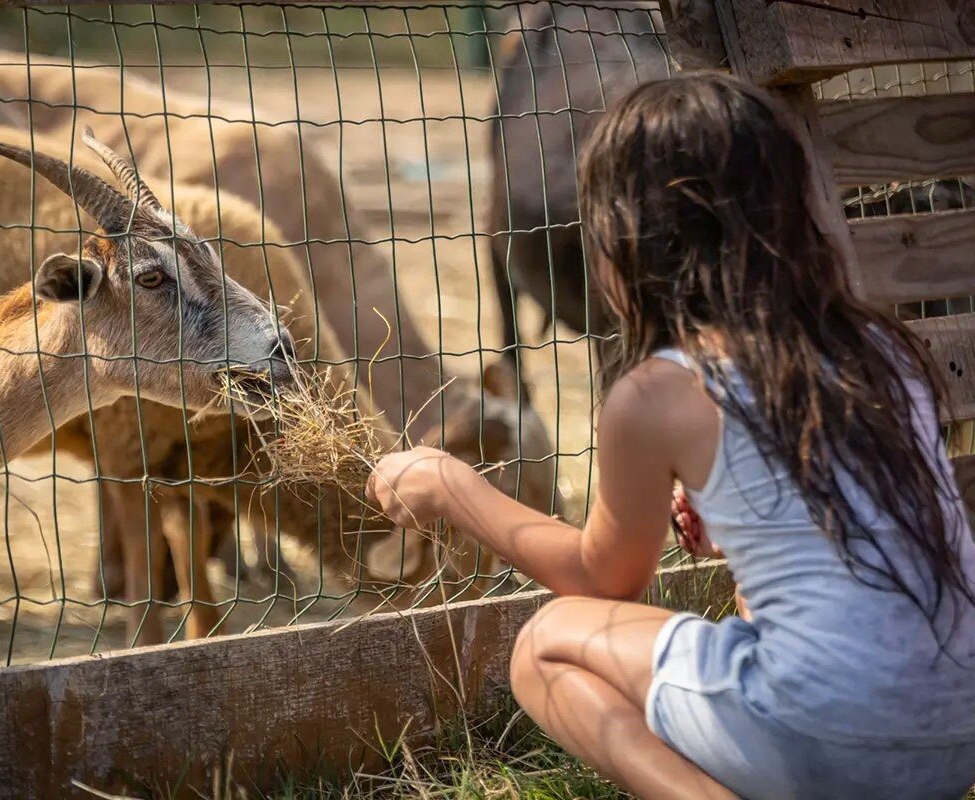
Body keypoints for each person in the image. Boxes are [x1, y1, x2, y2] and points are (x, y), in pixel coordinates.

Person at [365, 73, 975, 800]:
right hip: (956, 740)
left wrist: (449, 482)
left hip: (833, 739)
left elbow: (603, 581)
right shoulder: (877, 347)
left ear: (629, 238)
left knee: (547, 646)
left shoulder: (657, 394)